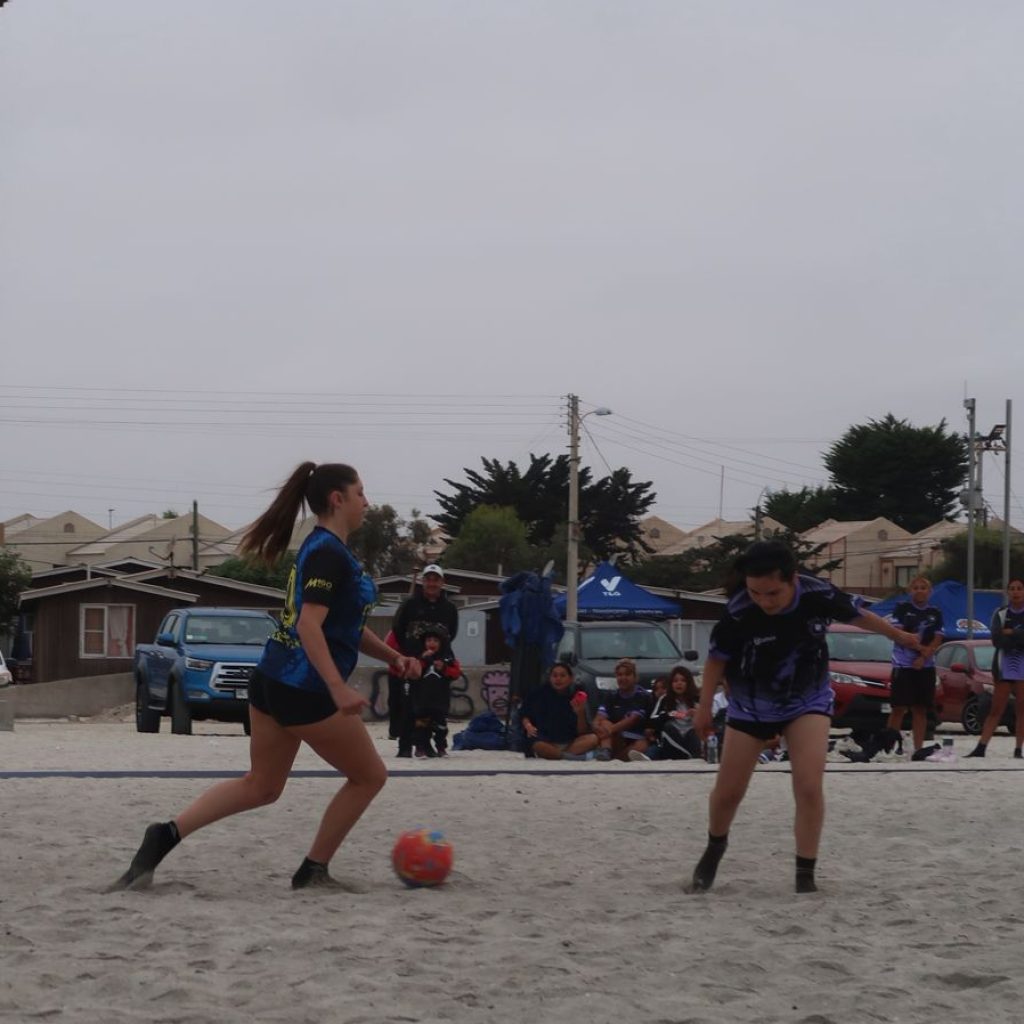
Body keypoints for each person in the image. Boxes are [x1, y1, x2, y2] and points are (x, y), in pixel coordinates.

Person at [109, 462, 422, 892]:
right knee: (370, 776)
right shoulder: (329, 554)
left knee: (262, 786)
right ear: (337, 499)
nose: (367, 502)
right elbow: (309, 626)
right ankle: (313, 870)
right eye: (360, 493)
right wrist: (337, 687)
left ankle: (164, 835)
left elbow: (345, 627)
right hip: (304, 688)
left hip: (271, 679)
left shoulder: (323, 548)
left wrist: (393, 656)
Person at [687, 541, 920, 895]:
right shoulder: (740, 610)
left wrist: (900, 636)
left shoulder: (817, 594)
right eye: (755, 592)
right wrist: (704, 706)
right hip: (751, 704)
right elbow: (716, 660)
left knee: (809, 786)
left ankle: (805, 874)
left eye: (773, 593)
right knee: (729, 792)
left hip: (807, 700)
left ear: (793, 579)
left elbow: (860, 616)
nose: (764, 601)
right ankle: (715, 846)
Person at [390, 564, 459, 756]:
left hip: (437, 665)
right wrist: (410, 652)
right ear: (422, 581)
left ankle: (427, 745)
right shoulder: (409, 604)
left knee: (432, 706)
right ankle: (404, 747)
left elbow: (452, 633)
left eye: (436, 580)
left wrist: (440, 656)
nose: (432, 583)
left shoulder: (450, 608)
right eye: (428, 579)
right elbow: (397, 628)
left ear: (442, 582)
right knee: (407, 704)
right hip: (413, 662)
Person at [884, 575, 944, 754]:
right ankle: (888, 746)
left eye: (923, 588)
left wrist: (924, 656)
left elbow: (938, 637)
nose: (919, 591)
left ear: (929, 591)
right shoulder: (902, 608)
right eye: (916, 588)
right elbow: (898, 635)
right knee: (898, 708)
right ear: (910, 591)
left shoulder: (935, 612)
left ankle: (918, 748)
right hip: (903, 665)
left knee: (921, 708)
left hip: (926, 666)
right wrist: (919, 649)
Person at [966, 577, 1024, 759]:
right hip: (1004, 664)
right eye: (1012, 588)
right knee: (996, 709)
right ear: (1007, 592)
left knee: (1021, 710)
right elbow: (997, 639)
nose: (1015, 592)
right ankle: (981, 747)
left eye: (1019, 588)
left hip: (1022, 665)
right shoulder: (1000, 613)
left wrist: (1012, 632)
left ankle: (1018, 749)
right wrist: (1016, 638)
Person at [520, 661, 599, 761]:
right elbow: (524, 713)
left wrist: (580, 713)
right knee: (537, 744)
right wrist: (528, 725)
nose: (558, 679)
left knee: (593, 739)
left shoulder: (576, 696)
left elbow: (582, 731)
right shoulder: (538, 694)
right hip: (546, 741)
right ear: (550, 678)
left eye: (562, 676)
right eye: (555, 676)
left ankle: (560, 755)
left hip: (570, 742)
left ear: (571, 678)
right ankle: (570, 757)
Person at [633, 664, 702, 761]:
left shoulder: (697, 699)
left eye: (683, 680)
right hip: (671, 741)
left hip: (690, 739)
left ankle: (691, 755)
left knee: (692, 732)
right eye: (675, 681)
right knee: (668, 727)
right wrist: (668, 715)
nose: (679, 683)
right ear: (671, 684)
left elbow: (709, 721)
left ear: (689, 683)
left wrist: (697, 714)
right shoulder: (665, 699)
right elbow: (652, 721)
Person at [411, 626, 461, 758]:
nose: (431, 643)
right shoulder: (419, 657)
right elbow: (413, 672)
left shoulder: (448, 658)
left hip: (440, 700)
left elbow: (456, 673)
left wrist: (444, 668)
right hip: (422, 699)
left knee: (441, 726)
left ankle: (441, 747)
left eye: (435, 640)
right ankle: (420, 748)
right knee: (421, 725)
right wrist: (423, 660)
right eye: (428, 640)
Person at [592, 658, 651, 761]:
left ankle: (613, 758)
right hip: (616, 737)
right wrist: (597, 726)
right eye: (619, 675)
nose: (623, 678)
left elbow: (632, 719)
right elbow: (598, 718)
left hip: (635, 737)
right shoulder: (611, 695)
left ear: (635, 677)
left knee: (641, 745)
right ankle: (606, 750)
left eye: (627, 674)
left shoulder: (642, 695)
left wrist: (609, 730)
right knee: (604, 722)